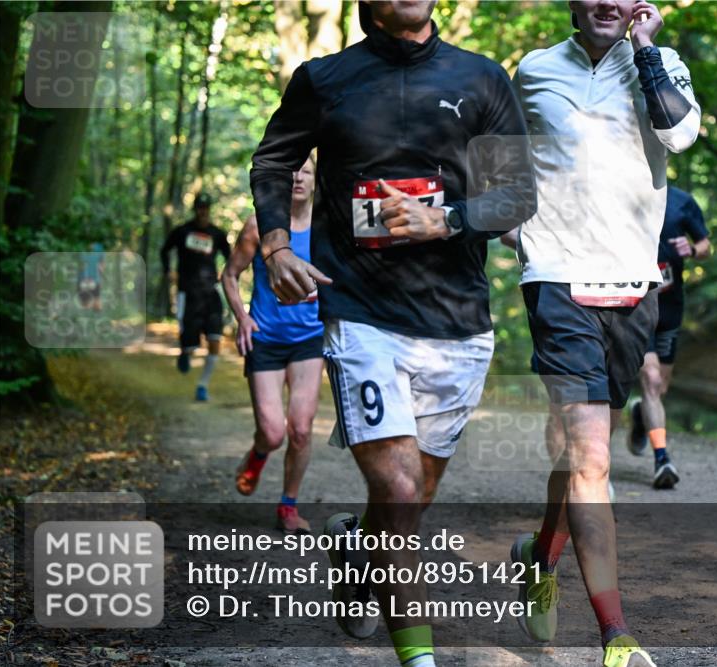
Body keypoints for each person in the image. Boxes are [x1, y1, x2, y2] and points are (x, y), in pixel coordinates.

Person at [249, 1, 536, 664]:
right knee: (400, 488)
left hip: (457, 320)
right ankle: (418, 657)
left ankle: (356, 548)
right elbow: (273, 162)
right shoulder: (324, 78)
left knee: (411, 497)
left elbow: (517, 193)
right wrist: (276, 245)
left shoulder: (481, 78)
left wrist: (448, 218)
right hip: (359, 310)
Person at [507, 2, 699, 665]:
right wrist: (509, 220)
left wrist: (646, 51)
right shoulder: (534, 69)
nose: (607, 3)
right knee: (591, 457)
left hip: (633, 286)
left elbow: (679, 135)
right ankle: (616, 636)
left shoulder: (662, 64)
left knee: (577, 454)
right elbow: (500, 150)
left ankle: (540, 556)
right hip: (557, 278)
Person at [221, 156, 324, 535]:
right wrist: (242, 318)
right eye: (292, 171)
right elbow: (230, 275)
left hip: (309, 340)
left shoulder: (327, 228)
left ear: (315, 180)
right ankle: (259, 452)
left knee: (300, 429)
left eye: (306, 171)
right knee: (273, 433)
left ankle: (288, 507)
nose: (298, 177)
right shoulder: (259, 227)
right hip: (265, 338)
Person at [628, 186, 711, 489]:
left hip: (670, 308)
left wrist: (693, 249)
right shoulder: (623, 191)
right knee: (650, 379)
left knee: (659, 387)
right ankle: (662, 459)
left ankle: (641, 414)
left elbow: (705, 245)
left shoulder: (681, 201)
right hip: (636, 306)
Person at [161, 193, 231, 402]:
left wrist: (228, 275)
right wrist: (168, 271)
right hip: (187, 292)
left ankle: (203, 385)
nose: (203, 211)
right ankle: (185, 350)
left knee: (215, 338)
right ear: (195, 209)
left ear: (209, 209)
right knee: (190, 341)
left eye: (206, 207)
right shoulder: (182, 231)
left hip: (211, 292)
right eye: (200, 207)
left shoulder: (217, 234)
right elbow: (164, 250)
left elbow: (231, 257)